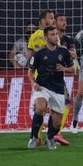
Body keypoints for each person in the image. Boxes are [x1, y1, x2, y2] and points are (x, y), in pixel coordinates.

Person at [23, 9, 71, 146]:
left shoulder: (47, 39)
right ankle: (36, 137)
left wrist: (65, 66)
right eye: (51, 18)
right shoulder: (44, 39)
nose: (53, 20)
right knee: (40, 107)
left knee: (55, 113)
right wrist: (33, 80)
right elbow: (31, 60)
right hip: (41, 81)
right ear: (43, 20)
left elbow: (29, 56)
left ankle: (49, 135)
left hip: (56, 82)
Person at [55, 13, 79, 135]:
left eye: (65, 20)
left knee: (66, 103)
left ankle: (56, 133)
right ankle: (38, 136)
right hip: (45, 75)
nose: (64, 23)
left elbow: (74, 54)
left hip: (59, 76)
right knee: (42, 107)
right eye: (61, 20)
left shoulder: (69, 40)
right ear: (55, 22)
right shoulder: (50, 36)